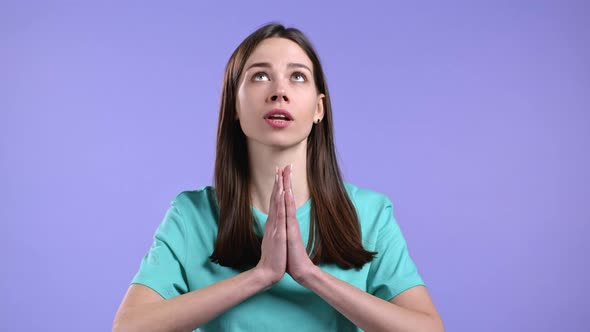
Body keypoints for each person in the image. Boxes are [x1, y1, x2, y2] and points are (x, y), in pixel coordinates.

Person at [113, 23, 444, 332]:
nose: (279, 91)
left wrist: (309, 275)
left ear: (319, 109)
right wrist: (261, 275)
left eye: (298, 77)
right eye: (259, 77)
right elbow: (128, 327)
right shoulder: (191, 215)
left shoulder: (370, 214)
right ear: (234, 107)